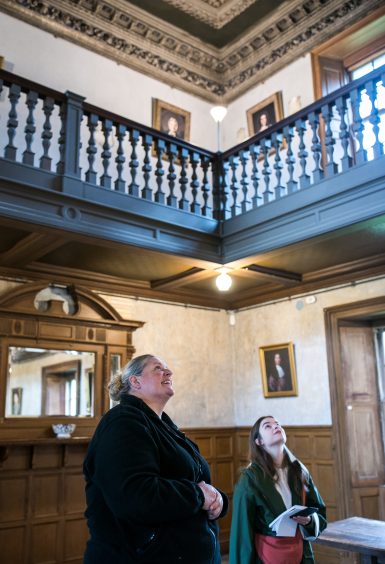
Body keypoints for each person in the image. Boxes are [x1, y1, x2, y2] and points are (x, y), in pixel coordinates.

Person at [83, 354, 228, 563]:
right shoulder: (122, 422)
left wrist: (218, 499)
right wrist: (198, 495)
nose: (168, 372)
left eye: (167, 368)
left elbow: (195, 479)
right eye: (158, 368)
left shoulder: (165, 426)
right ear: (135, 381)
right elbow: (135, 495)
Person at [229, 415, 326, 564]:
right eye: (268, 426)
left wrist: (309, 521)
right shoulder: (249, 479)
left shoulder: (299, 472)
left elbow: (319, 512)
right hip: (265, 557)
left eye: (277, 424)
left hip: (300, 554)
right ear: (259, 441)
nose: (276, 426)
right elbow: (241, 534)